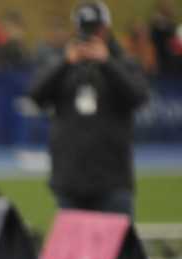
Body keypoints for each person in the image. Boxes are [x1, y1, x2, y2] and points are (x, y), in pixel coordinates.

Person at [28, 2, 150, 217]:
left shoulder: (123, 63)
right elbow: (36, 96)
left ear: (106, 29)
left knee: (117, 248)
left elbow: (139, 97)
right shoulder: (63, 63)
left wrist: (107, 63)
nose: (91, 35)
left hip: (112, 179)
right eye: (85, 28)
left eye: (95, 28)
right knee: (73, 250)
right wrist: (65, 63)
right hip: (70, 179)